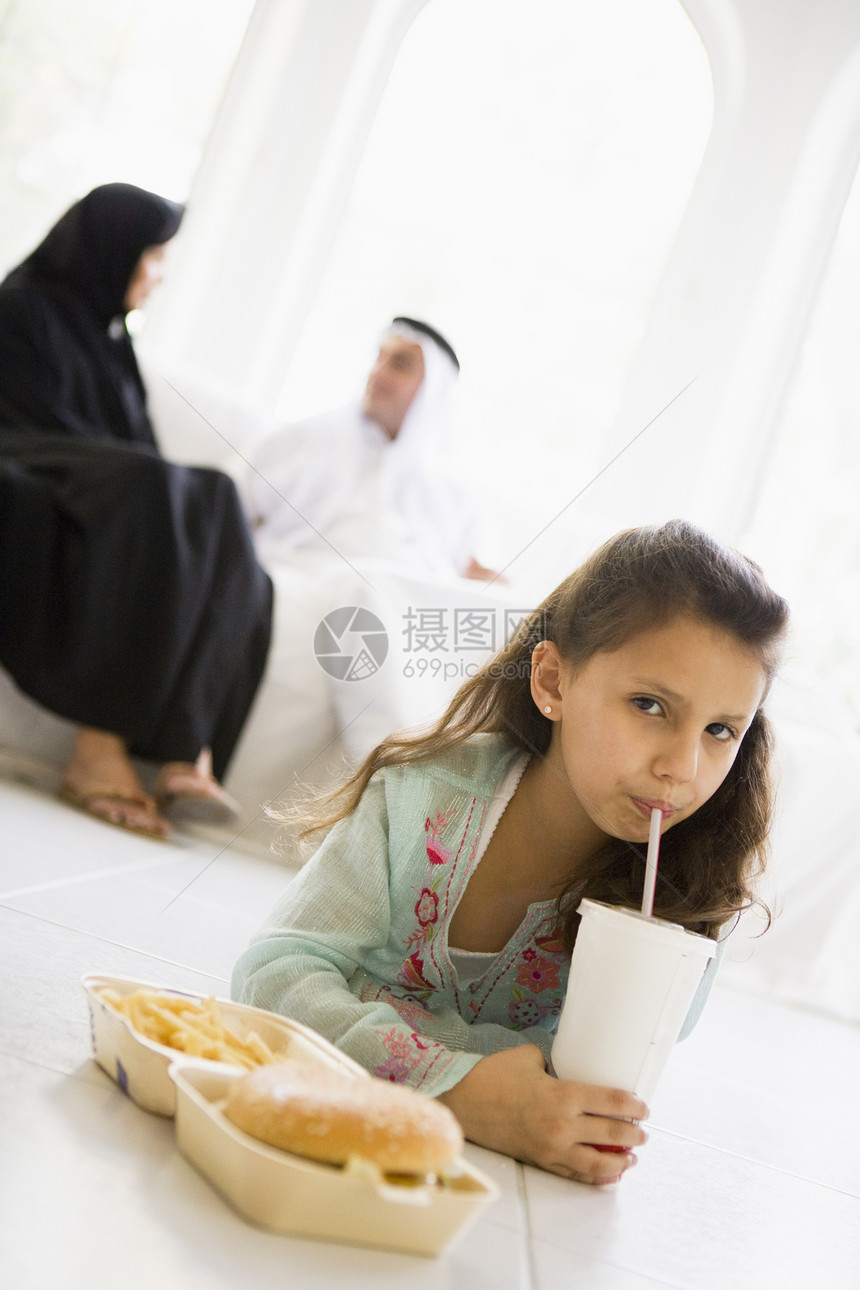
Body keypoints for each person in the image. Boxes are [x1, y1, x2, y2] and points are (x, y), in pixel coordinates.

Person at [232, 519, 789, 1184]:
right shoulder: (419, 799)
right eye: (649, 705)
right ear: (553, 682)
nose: (682, 765)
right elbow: (273, 978)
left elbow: (583, 1091)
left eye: (721, 729)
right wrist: (461, 1092)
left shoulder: (690, 908)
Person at [0, 183, 273, 839]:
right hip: (28, 458)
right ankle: (97, 749)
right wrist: (144, 481)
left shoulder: (111, 343)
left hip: (105, 479)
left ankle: (187, 750)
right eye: (150, 258)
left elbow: (139, 448)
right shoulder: (18, 309)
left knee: (219, 502)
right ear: (108, 251)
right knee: (154, 492)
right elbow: (29, 423)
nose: (157, 277)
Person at [245, 317, 497, 580]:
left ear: (432, 392)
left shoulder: (458, 497)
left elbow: (475, 579)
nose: (377, 373)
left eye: (399, 364)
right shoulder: (306, 439)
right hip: (297, 585)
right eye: (379, 358)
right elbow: (229, 509)